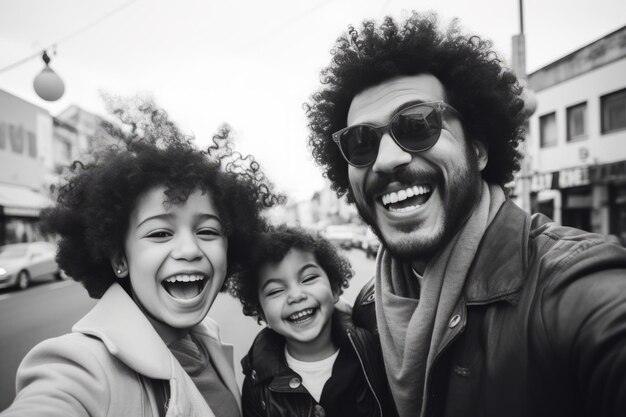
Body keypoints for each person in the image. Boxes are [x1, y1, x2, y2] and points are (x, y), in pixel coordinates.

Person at [305, 12, 626, 417]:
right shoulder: (370, 307)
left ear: (477, 150)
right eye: (361, 142)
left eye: (417, 124)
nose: (386, 160)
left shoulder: (568, 285)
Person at [1, 102, 281, 417]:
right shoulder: (82, 366)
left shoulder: (206, 336)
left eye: (207, 231)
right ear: (120, 259)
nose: (190, 250)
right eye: (160, 233)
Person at [228, 225, 396, 417]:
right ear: (261, 311)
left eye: (308, 278)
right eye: (275, 291)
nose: (296, 296)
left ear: (334, 289)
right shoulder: (257, 383)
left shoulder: (374, 351)